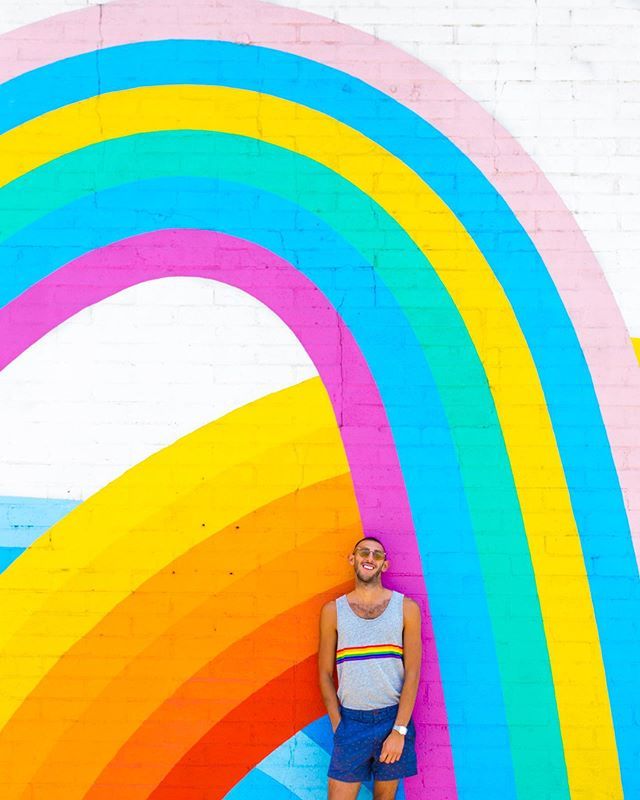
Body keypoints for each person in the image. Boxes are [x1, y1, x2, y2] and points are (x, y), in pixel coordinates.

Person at [318, 536, 422, 800]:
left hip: (392, 720)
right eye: (364, 552)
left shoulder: (407, 608)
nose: (370, 558)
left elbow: (412, 673)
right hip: (351, 722)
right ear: (352, 559)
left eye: (377, 555)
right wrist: (338, 724)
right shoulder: (333, 611)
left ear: (384, 565)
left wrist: (399, 730)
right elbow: (323, 673)